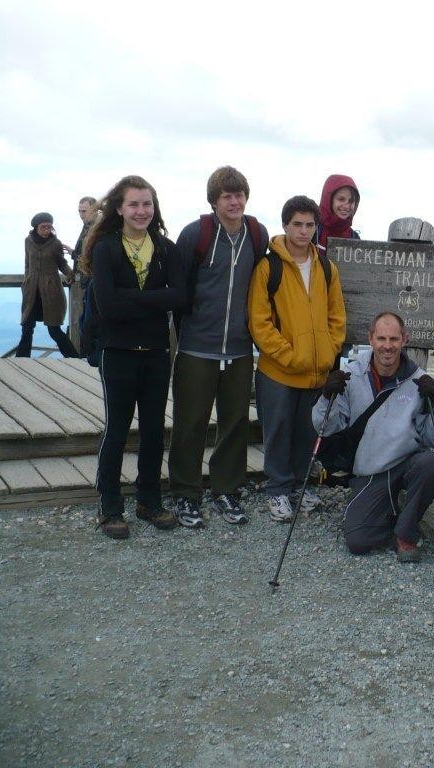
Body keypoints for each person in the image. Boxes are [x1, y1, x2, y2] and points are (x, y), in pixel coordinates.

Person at [80, 176, 185, 539]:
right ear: (120, 209)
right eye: (134, 204)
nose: (141, 211)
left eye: (147, 204)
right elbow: (107, 307)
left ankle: (148, 501)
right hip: (118, 352)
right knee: (117, 430)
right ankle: (110, 507)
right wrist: (155, 300)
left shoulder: (167, 249)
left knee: (155, 430)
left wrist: (131, 297)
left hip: (156, 352)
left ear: (154, 208)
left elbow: (180, 297)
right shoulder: (106, 249)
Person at [168, 166, 268, 529]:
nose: (235, 201)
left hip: (240, 349)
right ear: (214, 200)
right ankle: (185, 492)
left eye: (239, 194)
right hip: (197, 347)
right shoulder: (196, 234)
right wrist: (185, 335)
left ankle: (227, 488)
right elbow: (179, 290)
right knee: (190, 424)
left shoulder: (257, 234)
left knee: (235, 423)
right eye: (227, 195)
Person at [311, 312, 434, 562]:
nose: (387, 346)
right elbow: (325, 428)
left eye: (394, 339)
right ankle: (391, 510)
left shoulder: (419, 380)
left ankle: (405, 534)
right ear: (370, 339)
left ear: (404, 339)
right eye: (381, 338)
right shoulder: (351, 375)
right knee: (357, 541)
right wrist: (326, 397)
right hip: (370, 472)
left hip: (407, 462)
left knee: (430, 463)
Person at [249, 195, 346, 524]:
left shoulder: (326, 267)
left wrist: (330, 350)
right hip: (278, 371)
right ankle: (278, 488)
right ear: (285, 226)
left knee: (308, 431)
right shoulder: (268, 266)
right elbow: (259, 322)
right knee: (277, 430)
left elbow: (337, 317)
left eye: (309, 225)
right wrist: (289, 356)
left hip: (316, 370)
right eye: (297, 224)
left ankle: (302, 485)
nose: (303, 231)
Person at [17, 213, 79, 359]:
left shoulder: (55, 243)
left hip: (51, 291)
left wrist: (70, 274)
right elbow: (27, 264)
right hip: (32, 291)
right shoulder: (28, 241)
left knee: (54, 329)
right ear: (35, 227)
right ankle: (21, 361)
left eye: (49, 227)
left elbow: (61, 263)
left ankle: (74, 358)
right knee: (27, 327)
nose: (46, 230)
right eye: (43, 227)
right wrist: (26, 282)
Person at [317, 174, 360, 247]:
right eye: (341, 199)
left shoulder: (355, 238)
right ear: (328, 200)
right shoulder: (312, 231)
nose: (346, 206)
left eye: (351, 201)